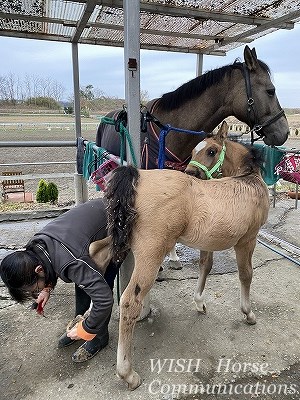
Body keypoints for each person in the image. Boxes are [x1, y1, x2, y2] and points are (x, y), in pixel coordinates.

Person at [0, 198, 120, 363]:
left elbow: (104, 299)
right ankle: (81, 321)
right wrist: (46, 288)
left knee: (101, 282)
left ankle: (98, 336)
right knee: (83, 281)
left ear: (38, 271)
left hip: (118, 223)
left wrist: (86, 329)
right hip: (92, 222)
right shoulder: (33, 249)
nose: (36, 292)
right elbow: (49, 263)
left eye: (34, 289)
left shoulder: (72, 262)